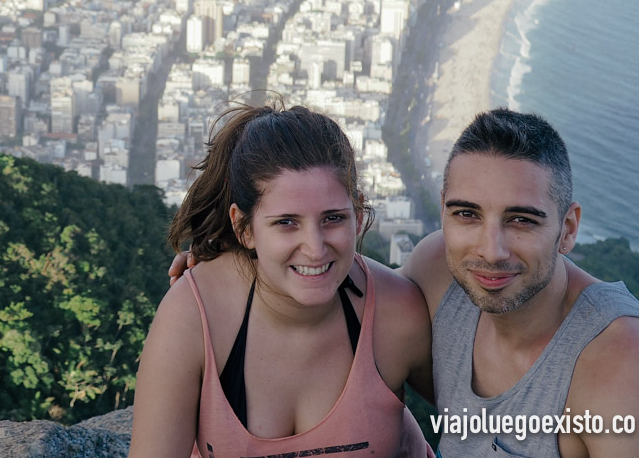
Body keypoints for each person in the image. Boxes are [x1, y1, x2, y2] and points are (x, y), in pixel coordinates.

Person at [131, 101, 434, 458]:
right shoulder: (196, 317)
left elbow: (485, 419)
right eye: (286, 222)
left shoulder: (395, 313)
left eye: (333, 218)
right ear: (244, 228)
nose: (315, 248)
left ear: (357, 211)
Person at [400, 108, 639, 457]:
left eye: (521, 220)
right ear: (444, 211)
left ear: (568, 229)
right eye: (467, 214)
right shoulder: (434, 274)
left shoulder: (622, 364)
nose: (491, 251)